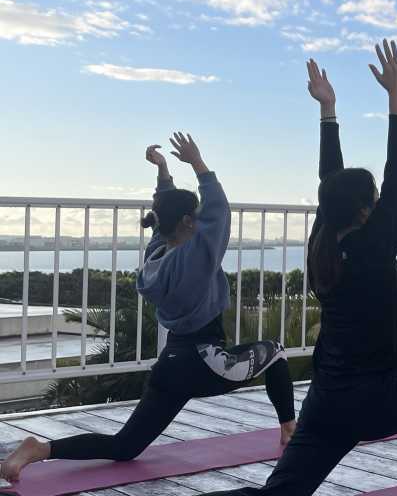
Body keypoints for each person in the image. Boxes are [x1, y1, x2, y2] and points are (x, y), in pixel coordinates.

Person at [202, 40, 397, 496]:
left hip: (326, 401)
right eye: (376, 200)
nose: (383, 203)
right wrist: (396, 95)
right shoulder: (371, 248)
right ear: (366, 211)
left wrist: (328, 111)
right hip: (380, 402)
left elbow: (331, 180)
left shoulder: (321, 243)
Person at [0, 133, 296, 483]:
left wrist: (164, 172)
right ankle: (289, 430)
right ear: (188, 222)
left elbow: (164, 216)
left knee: (125, 446)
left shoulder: (155, 256)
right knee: (276, 352)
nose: (201, 219)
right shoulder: (196, 257)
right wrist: (197, 163)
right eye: (196, 215)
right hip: (206, 363)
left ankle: (40, 449)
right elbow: (219, 211)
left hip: (172, 364)